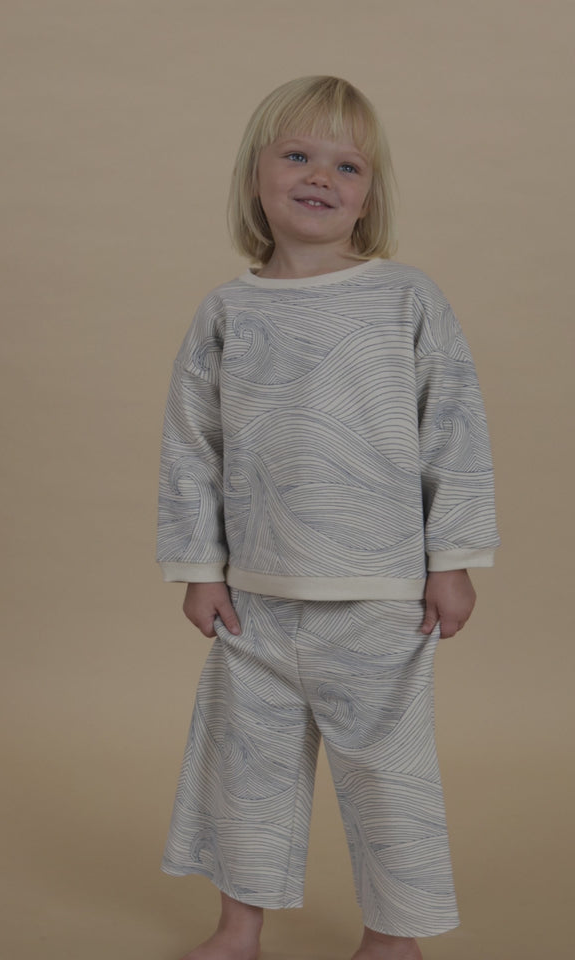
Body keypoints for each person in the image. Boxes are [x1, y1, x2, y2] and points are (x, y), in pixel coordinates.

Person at [156, 75, 500, 960]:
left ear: (370, 192)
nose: (321, 176)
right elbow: (193, 445)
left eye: (347, 164)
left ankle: (394, 939)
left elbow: (452, 429)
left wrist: (451, 556)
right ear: (256, 175)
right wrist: (199, 567)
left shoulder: (405, 299)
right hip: (254, 599)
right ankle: (238, 931)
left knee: (389, 776)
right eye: (298, 155)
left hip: (379, 594)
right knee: (247, 773)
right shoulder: (227, 312)